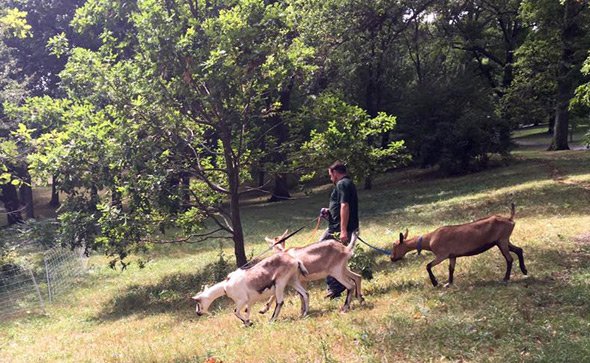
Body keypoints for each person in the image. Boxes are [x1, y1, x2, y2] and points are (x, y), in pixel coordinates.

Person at [319, 160, 359, 299]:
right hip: (335, 226)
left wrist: (343, 230)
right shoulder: (346, 183)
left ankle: (336, 287)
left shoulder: (342, 184)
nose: (331, 178)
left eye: (330, 175)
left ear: (335, 173)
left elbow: (345, 206)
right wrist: (329, 212)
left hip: (339, 229)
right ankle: (337, 286)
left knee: (325, 255)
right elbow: (339, 206)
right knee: (326, 252)